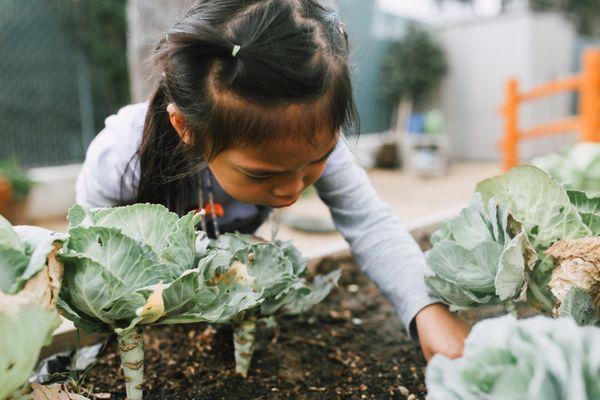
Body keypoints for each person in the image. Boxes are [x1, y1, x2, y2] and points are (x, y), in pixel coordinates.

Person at [76, 0, 469, 361]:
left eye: (317, 160)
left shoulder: (307, 140)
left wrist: (426, 307)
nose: (293, 189)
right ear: (187, 128)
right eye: (262, 174)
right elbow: (92, 255)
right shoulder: (123, 154)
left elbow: (370, 223)